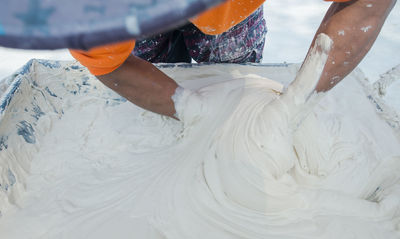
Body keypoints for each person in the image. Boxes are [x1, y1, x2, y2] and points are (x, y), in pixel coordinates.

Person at [70, 0, 396, 119]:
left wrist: (298, 100)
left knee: (233, 62)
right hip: (133, 18)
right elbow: (108, 61)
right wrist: (189, 108)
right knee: (150, 108)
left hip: (233, 11)